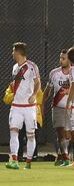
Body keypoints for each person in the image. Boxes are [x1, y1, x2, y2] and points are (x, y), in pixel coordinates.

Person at [6, 42, 41, 170]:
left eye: (13, 50)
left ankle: (28, 162)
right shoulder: (15, 67)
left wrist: (34, 95)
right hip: (16, 106)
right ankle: (14, 160)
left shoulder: (32, 66)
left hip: (29, 107)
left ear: (19, 52)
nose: (12, 53)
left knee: (30, 134)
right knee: (13, 131)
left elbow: (38, 83)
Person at [42, 49, 71, 166]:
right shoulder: (54, 73)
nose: (61, 60)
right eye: (60, 58)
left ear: (69, 59)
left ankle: (61, 154)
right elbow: (47, 90)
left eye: (63, 58)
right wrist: (42, 104)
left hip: (72, 107)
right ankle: (66, 158)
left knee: (68, 135)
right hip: (58, 107)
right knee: (60, 133)